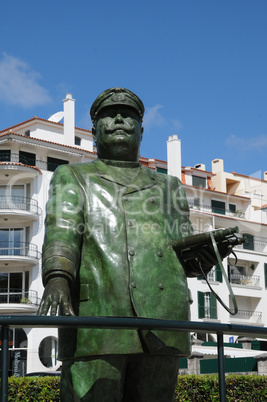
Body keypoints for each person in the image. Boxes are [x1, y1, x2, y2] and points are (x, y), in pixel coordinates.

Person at [38, 88, 224, 401]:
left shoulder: (169, 187)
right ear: (95, 131)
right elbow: (62, 230)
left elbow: (184, 254)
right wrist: (57, 278)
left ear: (141, 129)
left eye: (129, 115)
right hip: (96, 321)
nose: (120, 119)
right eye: (109, 116)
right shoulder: (73, 176)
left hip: (162, 323)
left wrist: (207, 254)